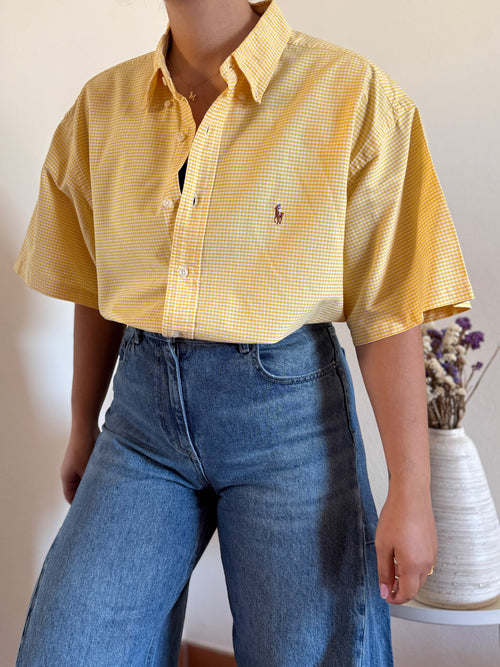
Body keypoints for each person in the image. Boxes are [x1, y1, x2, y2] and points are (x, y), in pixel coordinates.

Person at [14, 0, 474, 664]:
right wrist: (83, 424)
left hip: (286, 424)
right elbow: (96, 283)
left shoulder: (351, 95)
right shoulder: (103, 107)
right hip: (141, 423)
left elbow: (389, 304)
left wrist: (411, 486)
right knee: (69, 648)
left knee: (309, 652)